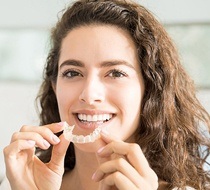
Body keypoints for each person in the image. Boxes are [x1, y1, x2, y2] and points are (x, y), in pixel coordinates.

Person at [1, 0, 210, 189]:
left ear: (150, 89)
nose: (89, 94)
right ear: (55, 87)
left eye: (115, 73)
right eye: (72, 73)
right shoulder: (19, 183)